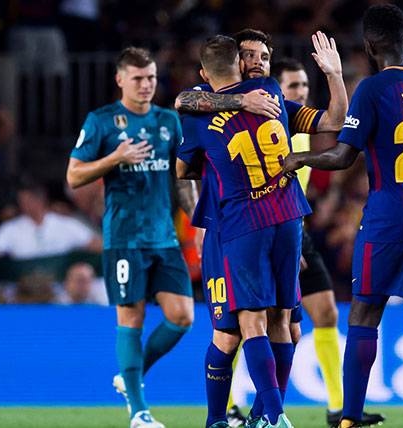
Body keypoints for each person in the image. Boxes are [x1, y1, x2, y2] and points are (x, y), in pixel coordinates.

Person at [283, 5, 403, 428]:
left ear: (370, 46)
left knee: (365, 314)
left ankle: (349, 418)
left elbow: (341, 156)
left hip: (393, 214)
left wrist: (296, 158)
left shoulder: (371, 90)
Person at [177, 35, 308, 428]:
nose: (257, 61)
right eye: (250, 55)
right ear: (237, 60)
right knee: (229, 333)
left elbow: (182, 170)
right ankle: (221, 419)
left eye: (264, 56)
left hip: (261, 221)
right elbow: (182, 102)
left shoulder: (268, 95)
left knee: (287, 326)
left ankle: (260, 418)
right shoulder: (241, 96)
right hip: (226, 229)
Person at [66, 47, 198, 428]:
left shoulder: (169, 121)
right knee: (131, 318)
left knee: (182, 317)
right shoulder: (102, 122)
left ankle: (130, 376)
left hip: (165, 238)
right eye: (138, 78)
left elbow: (182, 179)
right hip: (124, 238)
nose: (146, 85)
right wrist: (114, 159)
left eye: (151, 78)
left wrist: (198, 222)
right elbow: (74, 176)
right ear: (120, 79)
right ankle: (139, 413)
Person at [271, 57, 384, 427]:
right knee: (259, 322)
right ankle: (240, 408)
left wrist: (336, 76)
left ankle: (337, 409)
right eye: (293, 87)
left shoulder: (301, 132)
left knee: (326, 314)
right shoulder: (268, 131)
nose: (300, 93)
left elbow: (340, 122)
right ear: (277, 90)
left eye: (304, 86)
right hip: (268, 231)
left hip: (296, 231)